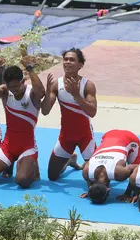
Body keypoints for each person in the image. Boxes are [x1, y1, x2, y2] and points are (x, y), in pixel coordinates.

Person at [0, 56, 45, 188]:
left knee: (22, 181)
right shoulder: (5, 91)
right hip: (8, 145)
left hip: (27, 146)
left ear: (23, 81)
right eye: (11, 87)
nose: (14, 89)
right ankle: (10, 162)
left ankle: (32, 165)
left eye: (17, 86)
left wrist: (30, 69)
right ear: (6, 83)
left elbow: (42, 92)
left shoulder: (31, 93)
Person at [41, 48, 98, 181]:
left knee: (95, 177)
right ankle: (70, 159)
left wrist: (77, 95)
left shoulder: (88, 85)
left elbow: (92, 112)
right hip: (66, 137)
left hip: (85, 137)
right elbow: (45, 111)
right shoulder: (56, 84)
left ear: (80, 65)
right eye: (65, 59)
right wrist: (48, 91)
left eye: (72, 60)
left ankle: (88, 159)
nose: (67, 62)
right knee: (52, 176)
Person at [80, 129, 140, 204]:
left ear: (108, 189)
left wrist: (128, 193)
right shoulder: (86, 172)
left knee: (139, 178)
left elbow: (137, 167)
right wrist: (92, 192)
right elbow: (88, 176)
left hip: (129, 138)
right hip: (108, 135)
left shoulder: (119, 173)